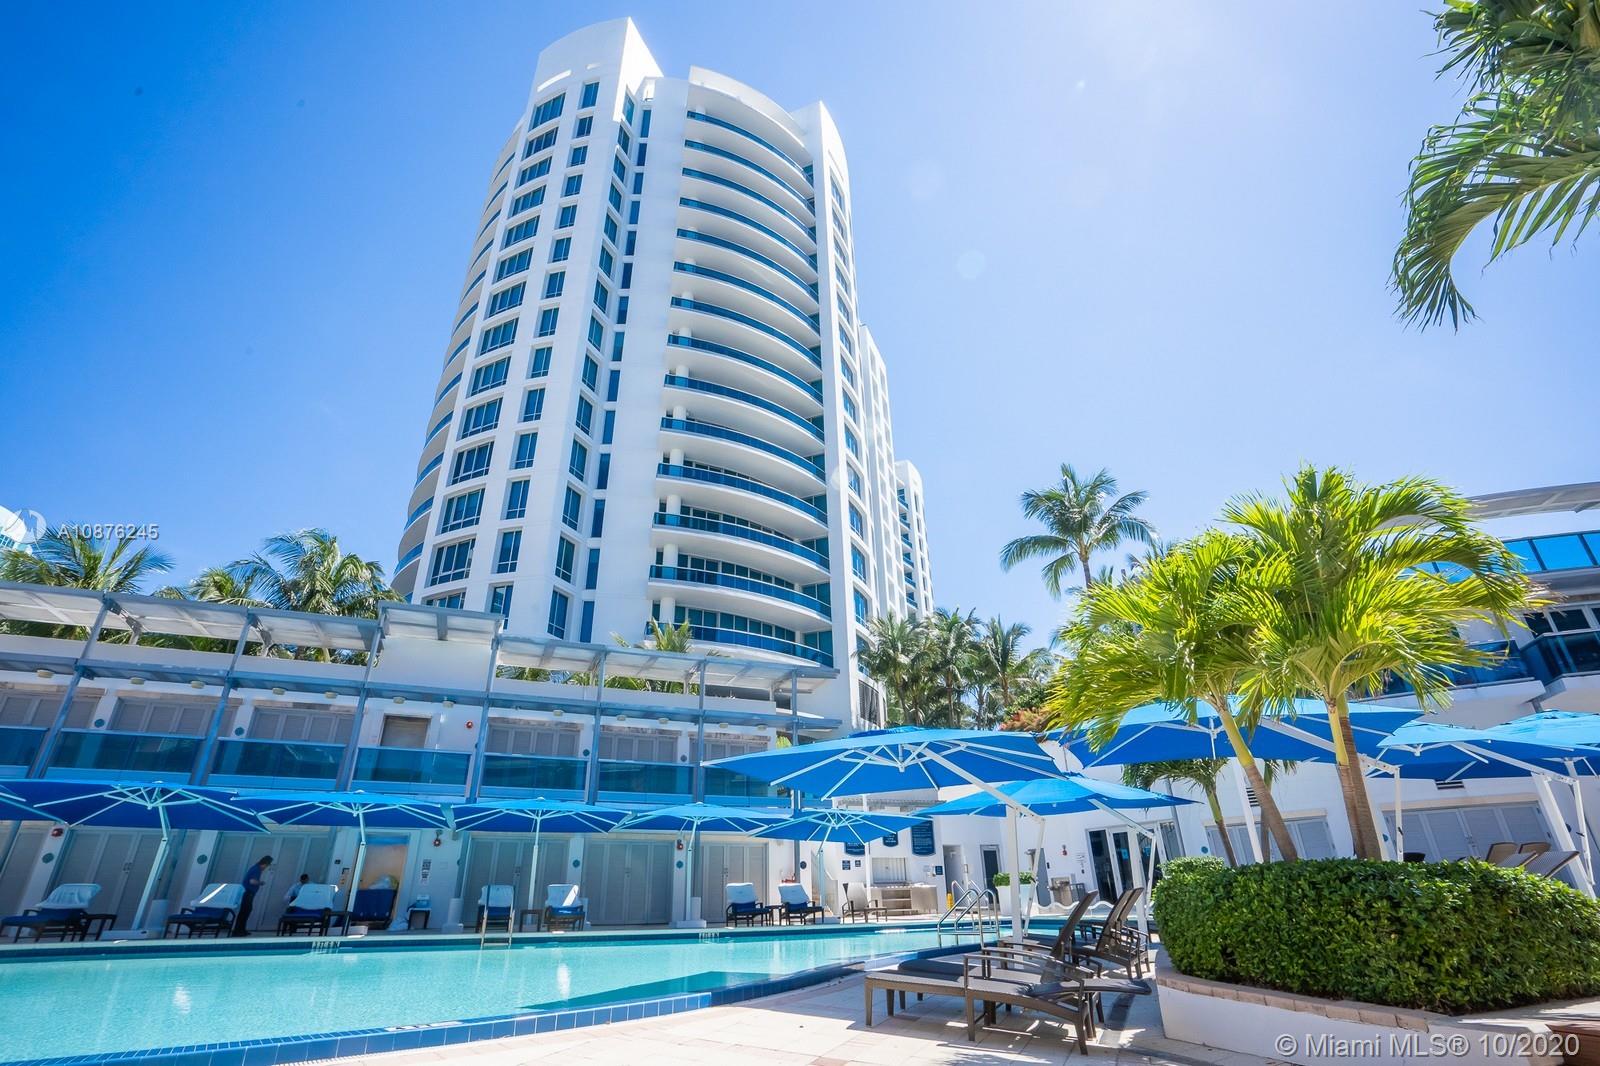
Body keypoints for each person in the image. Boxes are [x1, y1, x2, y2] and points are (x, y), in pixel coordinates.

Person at [233, 854, 272, 936]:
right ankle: (238, 931)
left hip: (248, 892)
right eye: (267, 866)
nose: (265, 868)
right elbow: (252, 881)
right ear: (265, 864)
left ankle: (241, 929)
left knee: (245, 910)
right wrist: (261, 883)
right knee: (245, 911)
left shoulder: (255, 868)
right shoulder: (257, 869)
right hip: (248, 892)